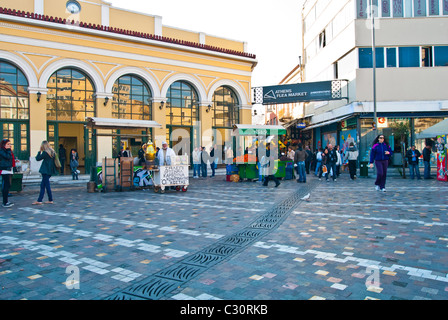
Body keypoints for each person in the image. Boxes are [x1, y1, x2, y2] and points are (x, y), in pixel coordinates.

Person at [33, 141, 57, 205]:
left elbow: (38, 159)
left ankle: (49, 199)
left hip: (45, 170)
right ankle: (41, 200)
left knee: (46, 185)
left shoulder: (45, 153)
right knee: (43, 185)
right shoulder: (52, 152)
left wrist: (39, 152)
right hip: (50, 170)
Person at [0, 139, 15, 208]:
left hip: (9, 169)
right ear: (4, 145)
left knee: (8, 185)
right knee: (6, 185)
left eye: (10, 144)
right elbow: (7, 157)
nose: (10, 145)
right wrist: (9, 150)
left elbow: (10, 158)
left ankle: (6, 201)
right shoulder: (2, 151)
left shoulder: (7, 151)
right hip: (5, 170)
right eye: (8, 144)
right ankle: (5, 202)